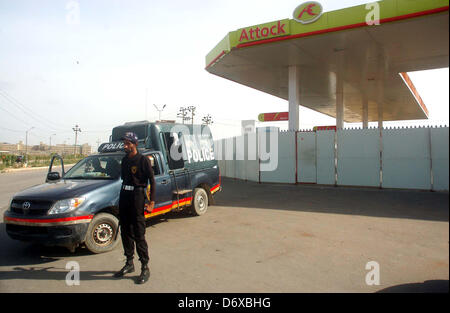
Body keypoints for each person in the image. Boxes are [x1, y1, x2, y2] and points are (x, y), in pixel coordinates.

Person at [114, 132, 155, 284]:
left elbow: (152, 180)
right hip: (125, 196)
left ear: (134, 144)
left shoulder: (143, 160)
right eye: (124, 143)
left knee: (139, 233)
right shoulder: (125, 160)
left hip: (137, 197)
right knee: (125, 231)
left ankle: (145, 266)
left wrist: (151, 201)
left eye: (128, 143)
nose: (125, 145)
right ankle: (129, 263)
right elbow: (125, 180)